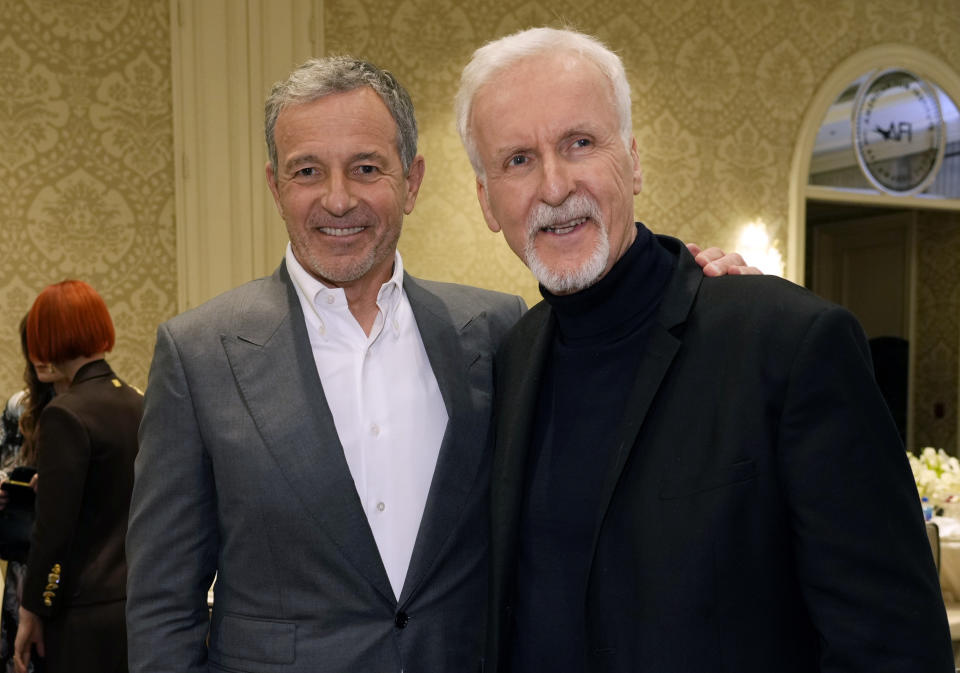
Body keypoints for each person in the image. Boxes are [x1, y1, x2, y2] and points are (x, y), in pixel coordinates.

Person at [126, 56, 750, 672]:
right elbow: (162, 605)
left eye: (366, 167)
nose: (337, 199)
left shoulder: (500, 330)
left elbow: (622, 361)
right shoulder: (200, 353)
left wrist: (700, 287)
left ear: (413, 180)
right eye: (308, 171)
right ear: (275, 186)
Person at [454, 27, 955, 672]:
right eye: (517, 160)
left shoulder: (787, 343)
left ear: (633, 160)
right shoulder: (511, 355)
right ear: (487, 200)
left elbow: (894, 647)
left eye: (580, 143)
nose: (554, 187)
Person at [13, 281, 143, 673]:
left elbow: (53, 532)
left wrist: (33, 607)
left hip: (84, 612)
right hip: (136, 603)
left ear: (45, 337)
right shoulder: (139, 402)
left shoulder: (65, 413)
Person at [0, 317, 62, 673]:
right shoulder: (20, 407)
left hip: (83, 567)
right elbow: (6, 463)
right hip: (25, 564)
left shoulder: (110, 402)